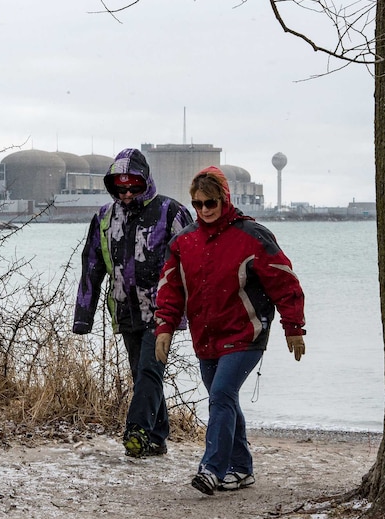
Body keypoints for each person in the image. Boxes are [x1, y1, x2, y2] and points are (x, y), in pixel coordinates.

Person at [153, 166, 306, 495]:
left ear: (225, 199)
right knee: (225, 399)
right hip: (205, 336)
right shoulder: (183, 242)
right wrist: (164, 327)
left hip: (246, 334)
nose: (204, 210)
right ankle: (242, 469)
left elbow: (285, 281)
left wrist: (293, 327)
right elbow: (170, 289)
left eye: (210, 203)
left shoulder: (253, 235)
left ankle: (212, 469)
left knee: (221, 395)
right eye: (197, 204)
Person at [73, 148, 194, 457]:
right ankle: (157, 437)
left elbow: (195, 264)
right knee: (141, 374)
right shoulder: (103, 217)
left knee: (150, 371)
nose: (126, 194)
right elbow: (91, 266)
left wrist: (200, 311)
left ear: (146, 181)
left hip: (162, 310)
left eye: (133, 187)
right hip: (125, 310)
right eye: (120, 188)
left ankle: (136, 431)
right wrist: (83, 317)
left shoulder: (171, 212)